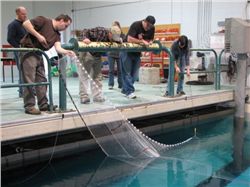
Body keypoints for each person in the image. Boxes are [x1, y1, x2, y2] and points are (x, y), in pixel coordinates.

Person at [20, 14, 76, 115]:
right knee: (29, 80)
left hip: (39, 54)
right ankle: (29, 106)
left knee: (42, 80)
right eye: (66, 26)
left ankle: (43, 105)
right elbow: (26, 24)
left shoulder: (57, 35)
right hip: (28, 51)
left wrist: (67, 52)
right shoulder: (43, 20)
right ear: (62, 20)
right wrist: (38, 36)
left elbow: (58, 48)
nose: (65, 28)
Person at [76, 25, 122, 104]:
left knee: (97, 77)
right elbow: (85, 30)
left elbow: (119, 40)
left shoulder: (114, 39)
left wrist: (120, 40)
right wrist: (85, 38)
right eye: (113, 38)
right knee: (84, 76)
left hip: (97, 55)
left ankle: (97, 96)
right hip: (87, 52)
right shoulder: (101, 31)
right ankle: (84, 96)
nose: (114, 40)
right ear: (110, 33)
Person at [120, 15, 156, 99]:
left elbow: (151, 39)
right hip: (127, 51)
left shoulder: (152, 28)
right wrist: (142, 41)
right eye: (148, 26)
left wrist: (150, 42)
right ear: (145, 21)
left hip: (136, 52)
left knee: (135, 75)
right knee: (127, 73)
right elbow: (129, 39)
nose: (148, 28)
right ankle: (129, 91)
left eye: (151, 27)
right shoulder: (136, 25)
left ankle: (125, 89)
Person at [7, 6, 28, 97]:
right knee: (22, 71)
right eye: (23, 14)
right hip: (20, 51)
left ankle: (27, 90)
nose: (25, 15)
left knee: (27, 71)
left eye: (25, 14)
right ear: (18, 13)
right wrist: (18, 47)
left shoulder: (25, 24)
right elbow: (10, 39)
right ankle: (22, 91)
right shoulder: (13, 25)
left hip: (27, 50)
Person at [107, 21, 125, 90]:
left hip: (119, 53)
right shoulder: (110, 33)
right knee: (111, 70)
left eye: (116, 26)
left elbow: (124, 39)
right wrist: (110, 38)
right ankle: (110, 84)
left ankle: (121, 84)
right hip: (111, 53)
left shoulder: (122, 34)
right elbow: (108, 41)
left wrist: (121, 39)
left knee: (120, 70)